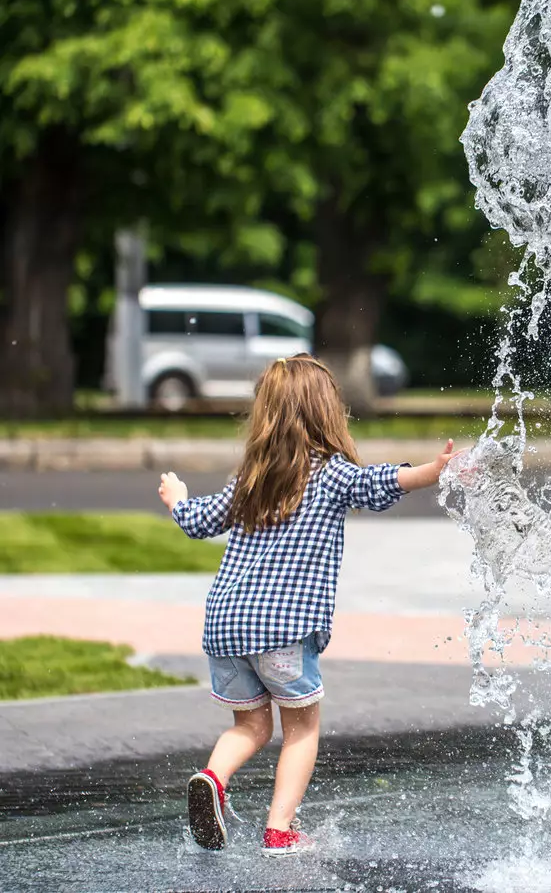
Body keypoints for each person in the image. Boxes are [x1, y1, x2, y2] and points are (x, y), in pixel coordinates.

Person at [157, 353, 459, 856]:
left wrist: (176, 498)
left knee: (251, 725)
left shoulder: (252, 480)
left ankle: (212, 776)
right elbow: (382, 482)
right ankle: (279, 830)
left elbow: (198, 521)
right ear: (326, 412)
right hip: (283, 630)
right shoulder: (331, 474)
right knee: (301, 728)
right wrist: (434, 470)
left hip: (226, 628)